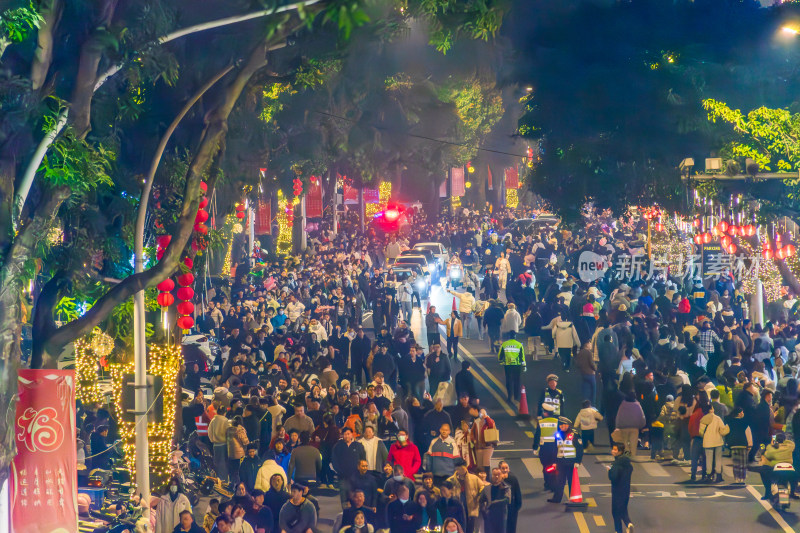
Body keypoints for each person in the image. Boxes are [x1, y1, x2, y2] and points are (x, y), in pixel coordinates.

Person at [547, 417, 583, 503]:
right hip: (560, 462)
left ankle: (573, 498)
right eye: (561, 426)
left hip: (571, 462)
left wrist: (578, 461)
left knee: (571, 481)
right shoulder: (557, 434)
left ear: (568, 425)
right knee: (559, 481)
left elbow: (579, 449)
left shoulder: (575, 434)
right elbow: (554, 449)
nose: (563, 427)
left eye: (565, 425)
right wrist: (554, 462)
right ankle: (557, 498)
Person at [446, 463, 483, 533]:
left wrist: (479, 498)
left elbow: (483, 488)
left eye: (463, 467)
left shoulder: (474, 478)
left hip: (471, 510)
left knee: (470, 530)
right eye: (460, 467)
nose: (462, 469)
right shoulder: (450, 480)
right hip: (456, 512)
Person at [699, 406, 730, 483]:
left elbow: (700, 432)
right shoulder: (717, 418)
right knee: (718, 459)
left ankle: (709, 475)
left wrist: (706, 436)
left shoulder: (703, 419)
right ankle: (718, 476)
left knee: (709, 459)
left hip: (707, 442)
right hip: (718, 441)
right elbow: (723, 430)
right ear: (712, 409)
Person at [532, 403, 559, 491]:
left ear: (545, 413)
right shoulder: (557, 422)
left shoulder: (541, 422)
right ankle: (554, 484)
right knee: (554, 466)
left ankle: (547, 484)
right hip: (555, 448)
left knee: (546, 466)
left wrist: (535, 447)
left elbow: (537, 436)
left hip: (544, 449)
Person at [608, 442, 634, 533]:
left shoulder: (616, 464)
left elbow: (613, 477)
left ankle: (618, 530)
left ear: (620, 451)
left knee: (615, 511)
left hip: (617, 490)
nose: (613, 451)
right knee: (623, 509)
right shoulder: (627, 463)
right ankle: (628, 523)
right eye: (613, 449)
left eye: (615, 450)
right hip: (626, 489)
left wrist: (609, 471)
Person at [478, 467, 511, 533]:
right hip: (489, 517)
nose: (496, 477)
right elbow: (480, 501)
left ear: (501, 476)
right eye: (494, 475)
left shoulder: (506, 487)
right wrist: (484, 510)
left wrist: (495, 503)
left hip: (501, 517)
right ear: (491, 475)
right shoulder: (487, 488)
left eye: (498, 475)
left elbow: (507, 500)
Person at [497, 331, 526, 404]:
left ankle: (509, 397)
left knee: (509, 381)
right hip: (517, 365)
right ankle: (516, 397)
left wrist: (501, 360)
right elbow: (522, 356)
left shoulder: (504, 344)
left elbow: (500, 356)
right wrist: (524, 365)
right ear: (515, 336)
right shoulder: (519, 344)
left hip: (508, 365)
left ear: (508, 337)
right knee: (517, 381)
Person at [498, 461, 522, 533]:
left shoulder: (513, 478)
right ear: (499, 469)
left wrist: (518, 505)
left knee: (511, 525)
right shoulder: (496, 478)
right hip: (500, 507)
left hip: (511, 506)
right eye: (503, 468)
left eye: (506, 468)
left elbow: (517, 492)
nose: (505, 470)